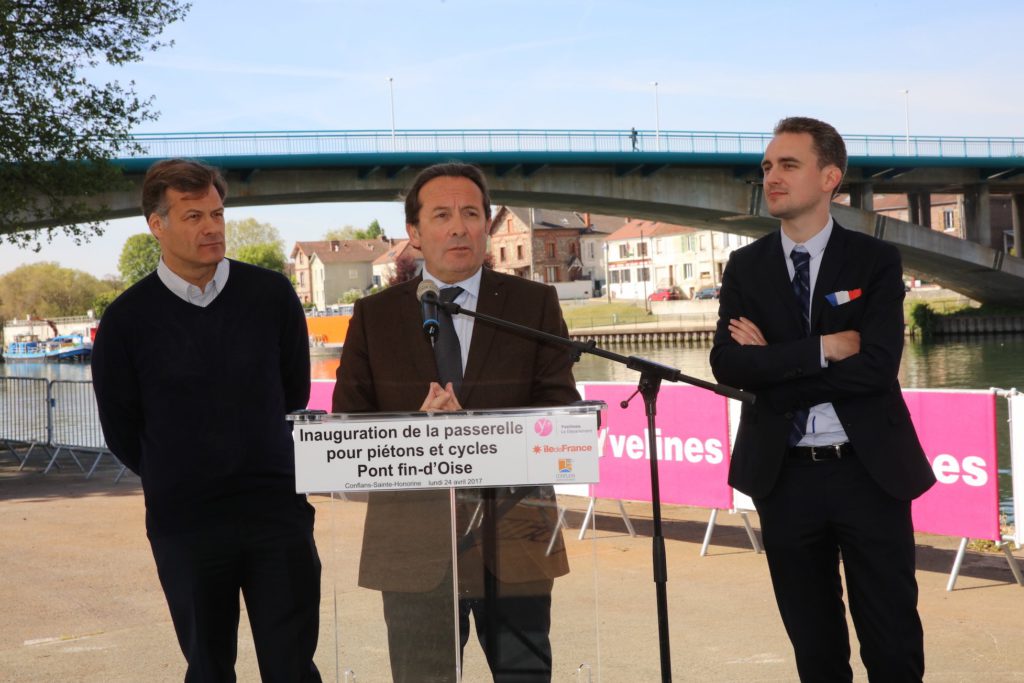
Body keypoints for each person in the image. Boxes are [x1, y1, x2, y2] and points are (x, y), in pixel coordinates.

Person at [333, 162, 579, 683]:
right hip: (412, 547)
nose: (458, 226)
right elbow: (347, 425)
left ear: (487, 226)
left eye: (471, 213)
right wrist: (414, 428)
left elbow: (562, 411)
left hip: (515, 538)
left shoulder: (532, 304)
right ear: (415, 233)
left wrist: (476, 430)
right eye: (441, 215)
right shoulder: (373, 316)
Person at [710, 117, 936, 682]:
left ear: (830, 176)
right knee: (815, 651)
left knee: (892, 647)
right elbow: (729, 365)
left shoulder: (875, 261)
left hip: (869, 475)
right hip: (784, 479)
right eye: (767, 167)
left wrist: (777, 367)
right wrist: (824, 348)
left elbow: (876, 369)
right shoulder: (746, 267)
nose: (772, 177)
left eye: (788, 165)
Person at [92, 159, 322, 682]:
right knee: (210, 667)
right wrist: (182, 472)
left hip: (276, 514)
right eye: (193, 216)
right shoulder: (126, 320)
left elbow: (293, 393)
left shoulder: (271, 296)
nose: (211, 227)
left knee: (292, 667)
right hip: (186, 524)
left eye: (217, 213)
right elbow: (123, 431)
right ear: (158, 225)